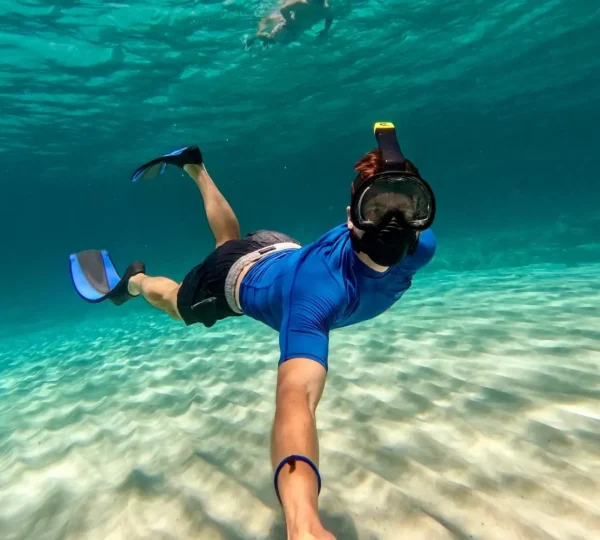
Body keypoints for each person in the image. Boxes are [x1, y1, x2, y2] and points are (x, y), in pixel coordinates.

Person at [69, 122, 437, 540]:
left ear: (423, 213)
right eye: (377, 210)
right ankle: (134, 282)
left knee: (227, 241)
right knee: (176, 304)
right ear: (352, 215)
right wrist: (301, 520)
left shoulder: (422, 246)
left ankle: (195, 167)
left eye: (407, 208)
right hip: (235, 277)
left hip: (279, 247)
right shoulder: (316, 293)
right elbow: (296, 397)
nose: (393, 224)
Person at [244, 0, 334, 50]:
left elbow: (329, 18)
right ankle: (253, 37)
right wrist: (289, 20)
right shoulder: (306, 4)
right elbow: (283, 9)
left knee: (278, 41)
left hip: (296, 31)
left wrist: (326, 30)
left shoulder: (323, 8)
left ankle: (266, 40)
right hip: (287, 28)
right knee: (272, 39)